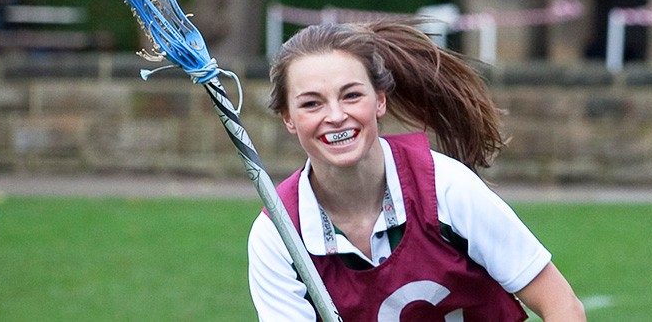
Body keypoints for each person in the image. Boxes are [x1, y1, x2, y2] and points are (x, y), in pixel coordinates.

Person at [247, 18, 584, 320]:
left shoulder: (446, 187)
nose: (335, 116)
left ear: (379, 100)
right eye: (311, 103)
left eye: (351, 95)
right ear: (288, 118)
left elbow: (561, 305)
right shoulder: (277, 235)